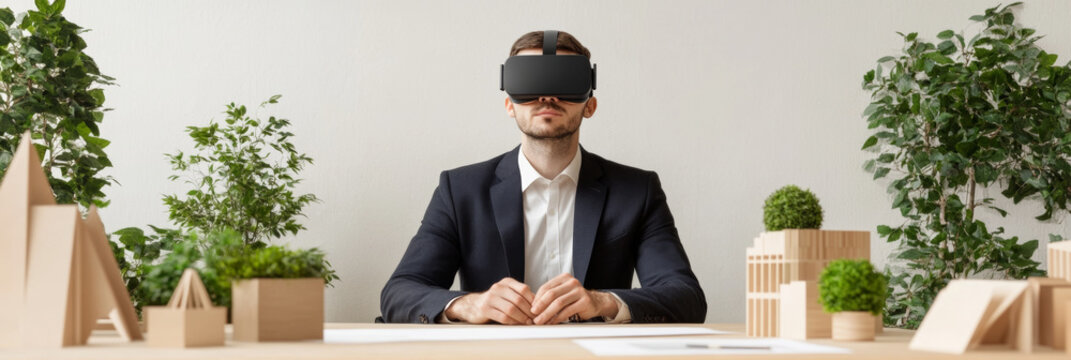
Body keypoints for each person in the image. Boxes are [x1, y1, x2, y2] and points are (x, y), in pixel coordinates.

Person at [380, 30, 706, 325]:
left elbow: (686, 296)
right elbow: (400, 291)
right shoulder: (460, 191)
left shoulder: (637, 191)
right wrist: (468, 305)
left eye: (565, 85)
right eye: (530, 85)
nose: (546, 98)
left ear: (589, 105)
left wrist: (604, 301)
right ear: (509, 104)